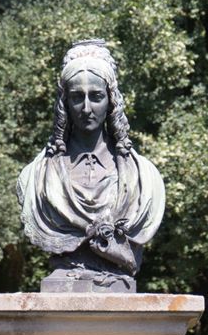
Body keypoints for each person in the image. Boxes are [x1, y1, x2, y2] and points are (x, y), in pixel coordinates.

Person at [17, 39, 165, 292]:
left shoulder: (145, 178)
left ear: (111, 101)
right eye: (77, 97)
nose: (86, 108)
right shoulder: (36, 177)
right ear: (65, 103)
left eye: (96, 96)